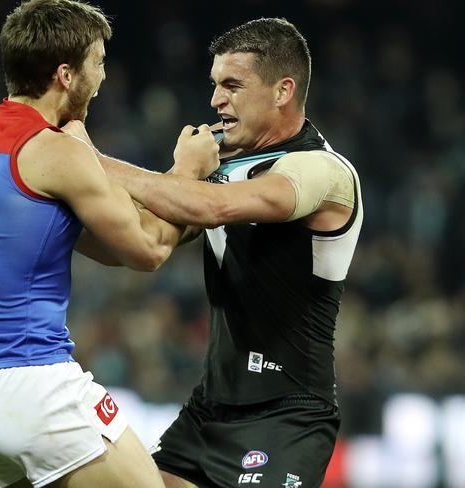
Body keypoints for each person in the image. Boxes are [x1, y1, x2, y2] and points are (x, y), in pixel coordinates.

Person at [64, 17, 364, 488]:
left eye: (232, 85)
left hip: (285, 417)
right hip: (209, 410)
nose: (215, 100)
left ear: (283, 91)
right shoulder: (217, 166)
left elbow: (216, 206)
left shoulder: (323, 172)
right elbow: (145, 240)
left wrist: (91, 160)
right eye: (214, 85)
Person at [0, 1, 219, 488]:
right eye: (99, 61)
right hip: (30, 385)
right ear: (66, 75)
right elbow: (147, 250)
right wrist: (187, 174)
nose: (104, 75)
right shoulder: (56, 151)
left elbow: (104, 246)